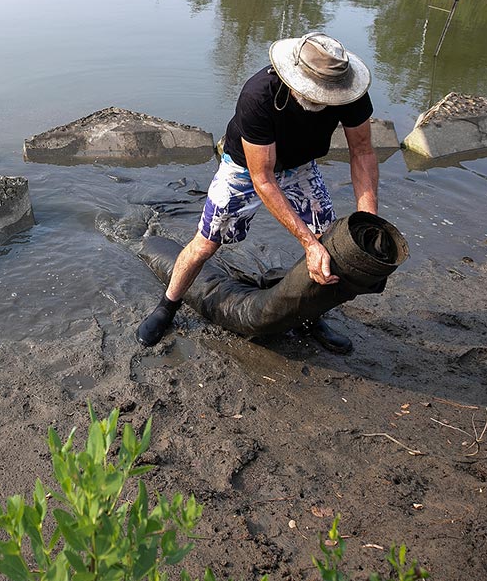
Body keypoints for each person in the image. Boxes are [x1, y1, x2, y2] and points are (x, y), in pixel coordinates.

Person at [136, 31, 379, 354]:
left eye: (326, 96)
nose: (321, 100)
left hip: (301, 166)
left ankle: (311, 316)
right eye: (314, 92)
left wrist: (367, 219)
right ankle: (168, 305)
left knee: (331, 243)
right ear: (293, 78)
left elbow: (362, 152)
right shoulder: (259, 95)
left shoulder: (348, 91)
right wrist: (306, 243)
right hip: (245, 167)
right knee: (207, 242)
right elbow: (262, 179)